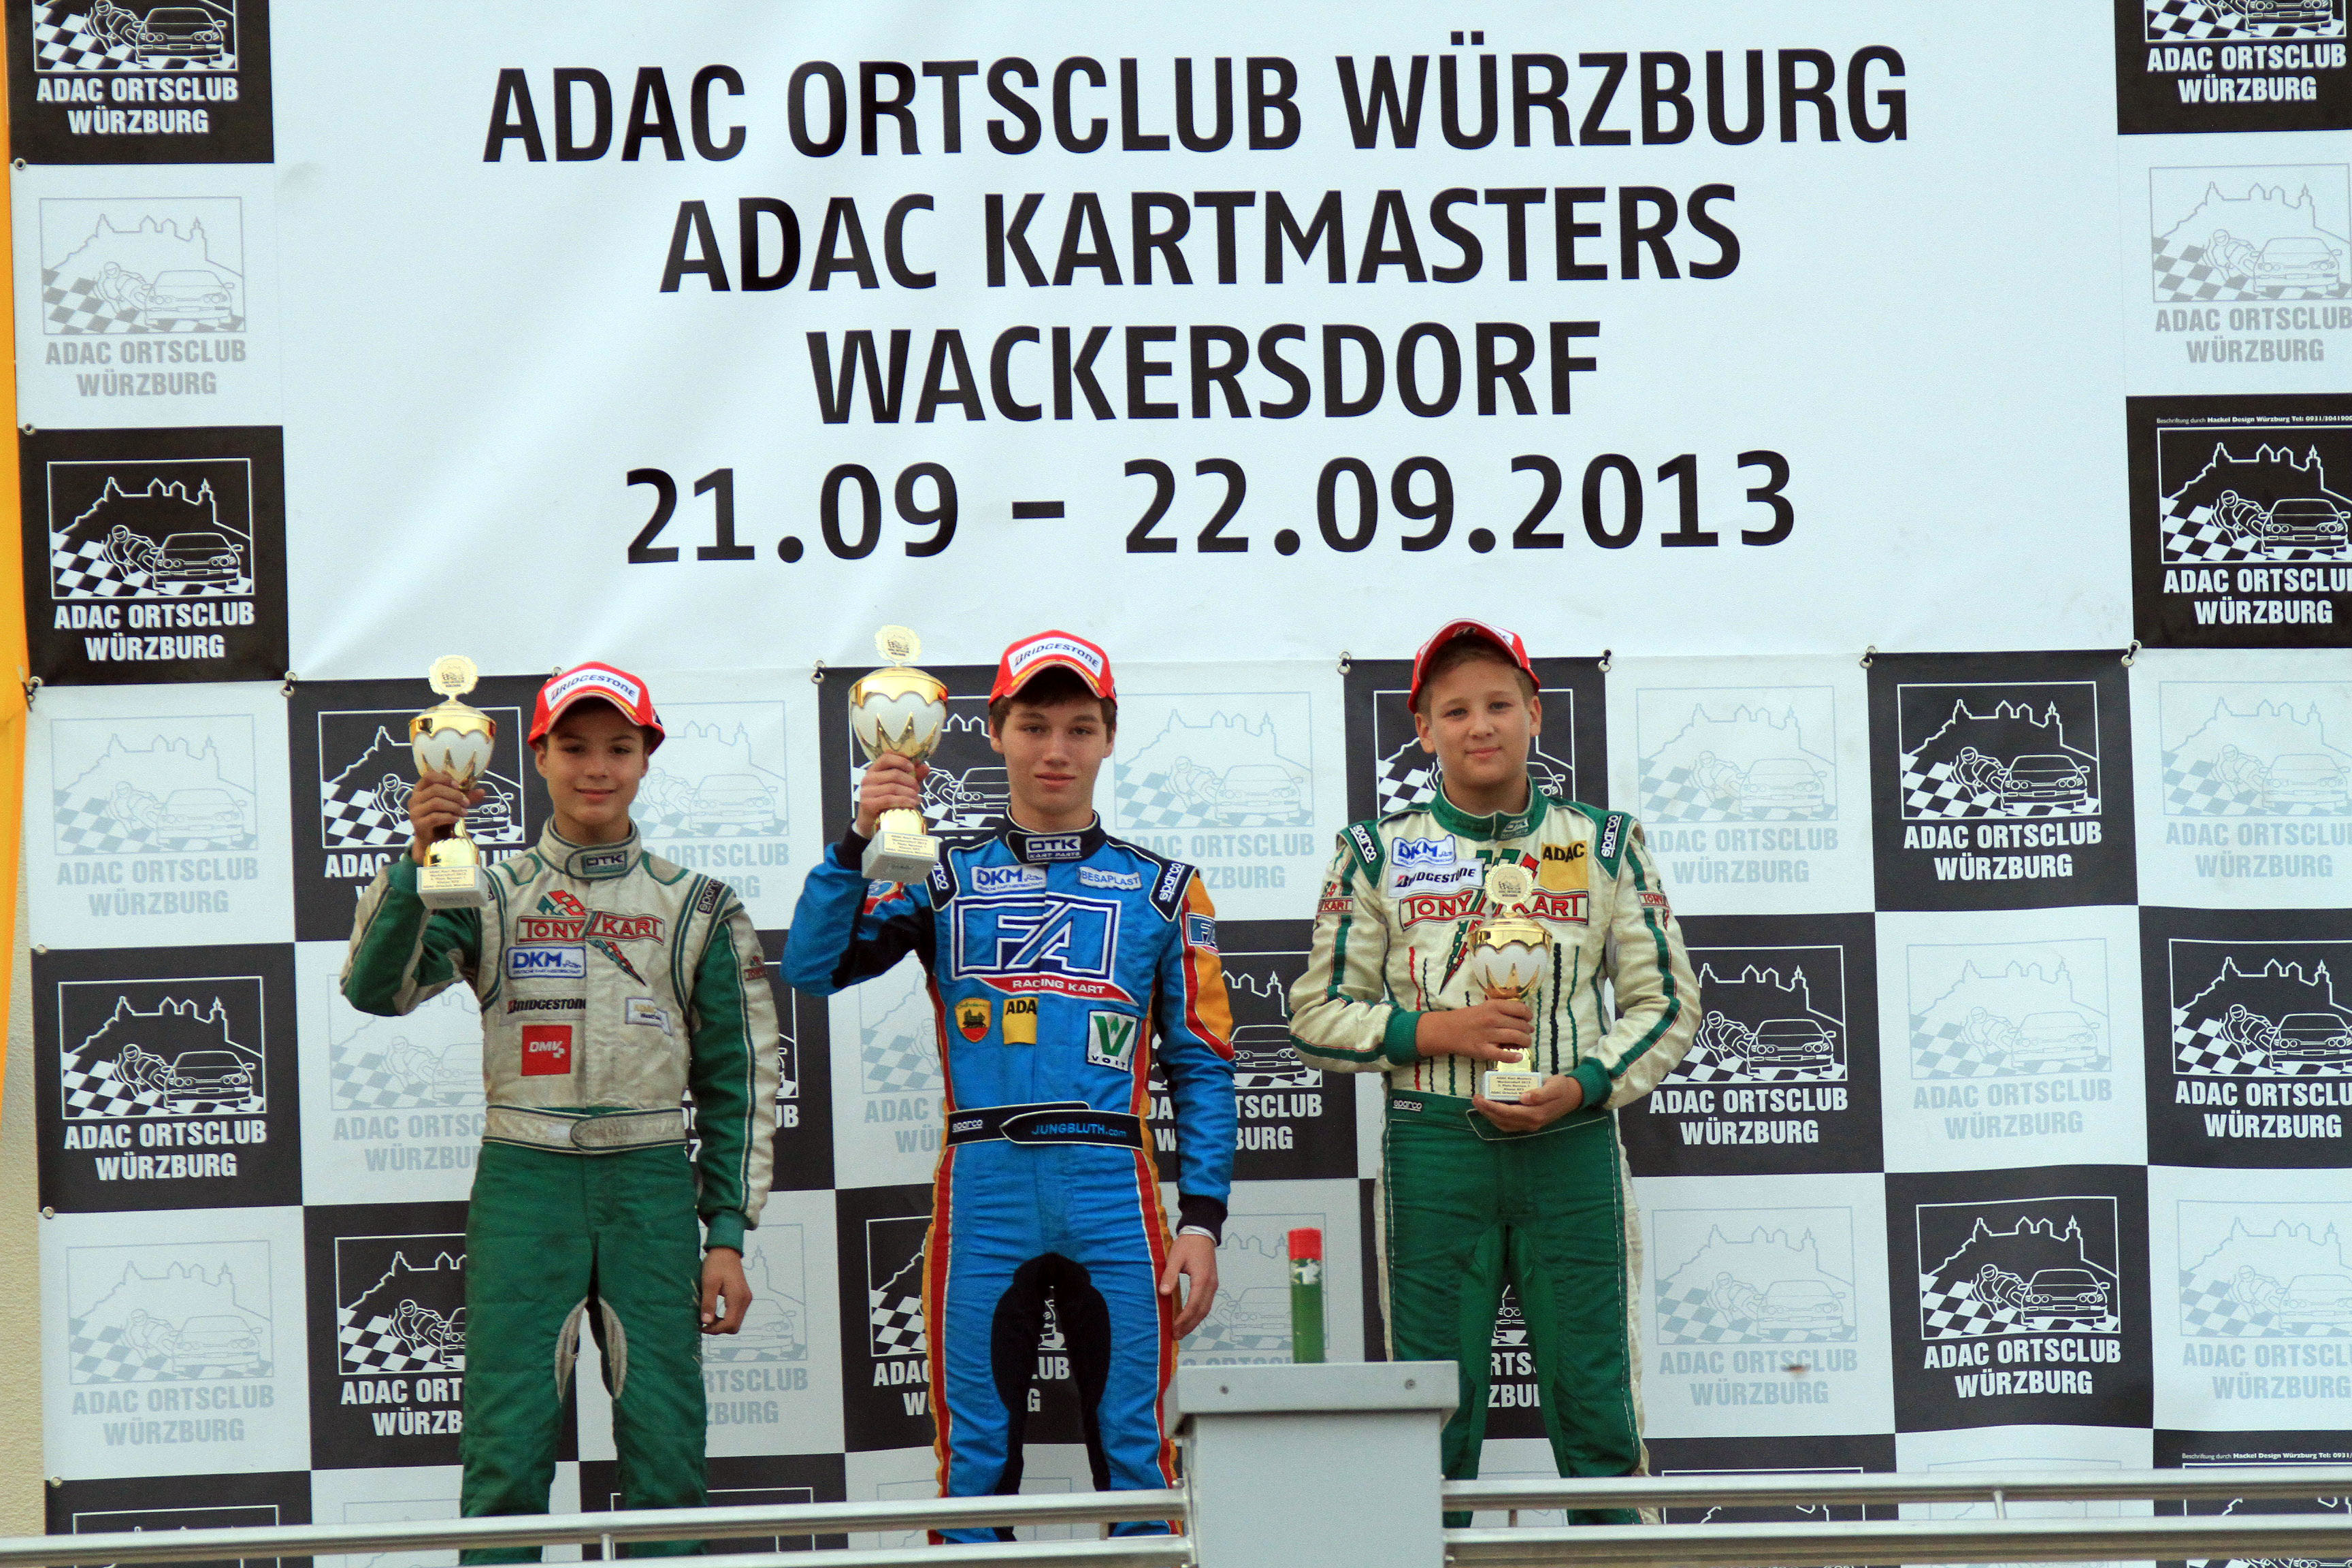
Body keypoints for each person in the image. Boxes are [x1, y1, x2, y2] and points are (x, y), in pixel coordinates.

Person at [782, 630, 1235, 1542]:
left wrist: (1202, 1221)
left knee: (1139, 1457)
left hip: (1114, 1192)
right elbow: (812, 966)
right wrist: (859, 839)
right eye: (1034, 726)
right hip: (985, 1192)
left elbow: (1202, 1063)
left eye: (1079, 728)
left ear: (1110, 737)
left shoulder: (1165, 890)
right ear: (994, 733)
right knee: (975, 1466)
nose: (1056, 750)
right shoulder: (936, 877)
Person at [342, 662, 779, 1561]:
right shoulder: (485, 889)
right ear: (538, 756)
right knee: (505, 1453)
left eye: (619, 748)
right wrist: (420, 860)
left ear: (648, 757)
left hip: (648, 1186)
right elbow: (376, 991)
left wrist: (729, 1234)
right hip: (525, 1182)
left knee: (667, 1450)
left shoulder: (697, 904)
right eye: (575, 748)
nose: (597, 768)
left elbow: (739, 1080)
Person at [1289, 619, 1698, 1527]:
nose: (1481, 725)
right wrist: (1436, 1030)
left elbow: (1668, 1003)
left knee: (1600, 1415)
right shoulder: (1375, 851)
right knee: (1432, 1423)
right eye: (1456, 710)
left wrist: (1584, 1085)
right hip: (1436, 1152)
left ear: (1535, 714)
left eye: (1500, 705)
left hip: (1573, 1146)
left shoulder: (1605, 842)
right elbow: (1315, 1017)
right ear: (1424, 729)